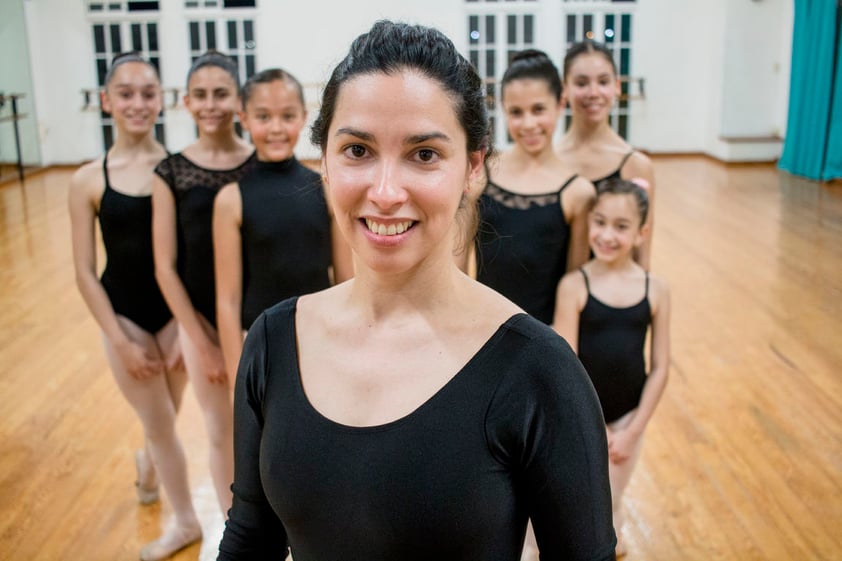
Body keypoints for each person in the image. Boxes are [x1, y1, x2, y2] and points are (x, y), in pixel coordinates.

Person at [218, 20, 616, 561]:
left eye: (424, 154)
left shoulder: (540, 371)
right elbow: (249, 535)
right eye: (357, 150)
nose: (384, 192)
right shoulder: (271, 341)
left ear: (473, 167)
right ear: (325, 163)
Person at [69, 53, 202, 561]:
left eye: (148, 93)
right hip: (124, 316)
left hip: (174, 316)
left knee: (163, 415)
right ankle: (186, 520)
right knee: (163, 421)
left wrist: (187, 328)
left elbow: (189, 258)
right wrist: (120, 340)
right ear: (107, 101)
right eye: (125, 93)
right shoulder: (86, 180)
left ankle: (147, 465)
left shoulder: (181, 170)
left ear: (162, 100)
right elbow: (84, 271)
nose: (137, 103)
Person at [152, 50, 255, 516]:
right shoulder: (170, 172)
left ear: (238, 102)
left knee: (265, 432)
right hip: (203, 327)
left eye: (221, 93)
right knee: (221, 433)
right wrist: (201, 340)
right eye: (200, 95)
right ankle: (237, 535)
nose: (210, 104)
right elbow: (165, 267)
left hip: (256, 320)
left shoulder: (261, 164)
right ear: (186, 103)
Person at [554, 178, 670, 557]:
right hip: (587, 419)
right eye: (599, 222)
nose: (606, 235)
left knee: (612, 504)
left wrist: (633, 431)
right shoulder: (574, 285)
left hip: (627, 421)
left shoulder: (656, 289)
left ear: (641, 233)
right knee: (581, 507)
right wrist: (593, 427)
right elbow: (566, 365)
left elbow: (661, 368)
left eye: (621, 226)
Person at [213, 68, 353, 381]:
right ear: (244, 119)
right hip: (259, 343)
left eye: (287, 116)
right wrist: (239, 376)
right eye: (263, 117)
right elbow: (228, 299)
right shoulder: (231, 199)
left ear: (303, 117)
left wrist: (350, 346)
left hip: (320, 338)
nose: (276, 128)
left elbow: (346, 280)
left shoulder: (327, 189)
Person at [474, 49, 595, 324]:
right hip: (484, 329)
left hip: (545, 335)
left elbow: (574, 283)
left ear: (560, 103)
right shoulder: (480, 176)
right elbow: (456, 268)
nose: (528, 124)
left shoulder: (578, 193)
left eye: (538, 110)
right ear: (503, 109)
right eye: (516, 112)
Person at [556, 40, 655, 269]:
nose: (593, 92)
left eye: (603, 82)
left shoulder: (637, 166)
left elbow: (642, 259)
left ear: (617, 86)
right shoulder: (551, 161)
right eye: (581, 83)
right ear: (565, 89)